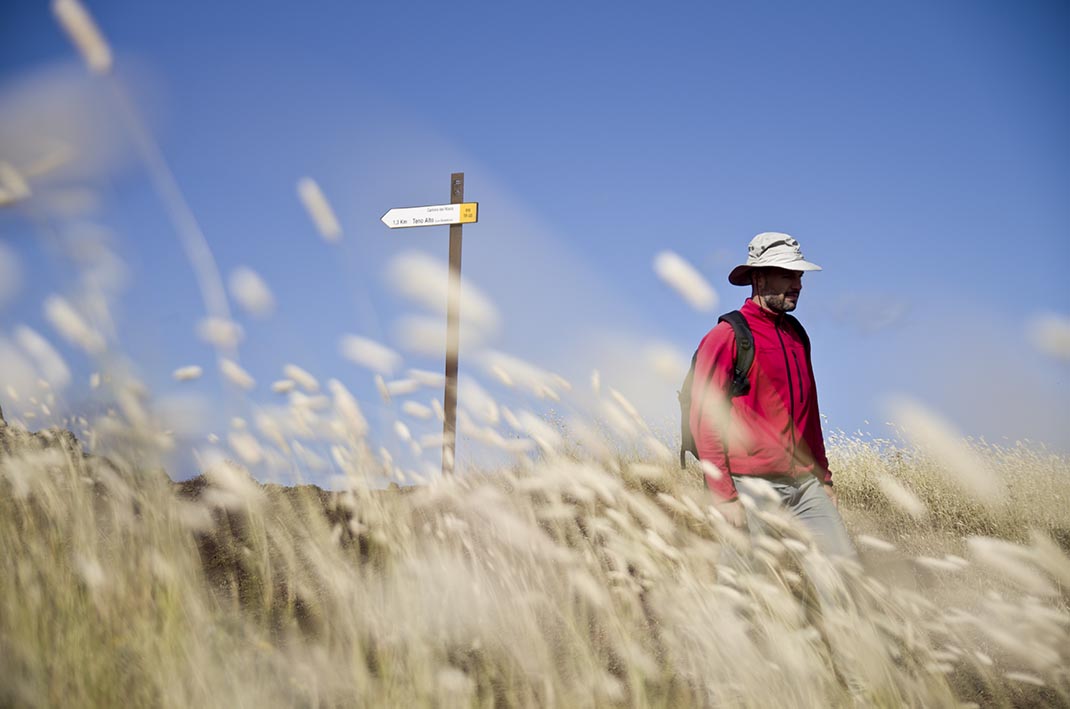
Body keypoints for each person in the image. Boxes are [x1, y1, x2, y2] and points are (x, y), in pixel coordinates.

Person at [689, 232, 857, 560]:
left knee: (844, 574)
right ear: (759, 277)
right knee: (745, 588)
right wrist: (724, 495)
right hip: (749, 484)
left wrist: (823, 478)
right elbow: (704, 417)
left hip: (805, 484)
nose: (797, 284)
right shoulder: (726, 336)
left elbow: (809, 413)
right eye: (787, 275)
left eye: (799, 275)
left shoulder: (797, 335)